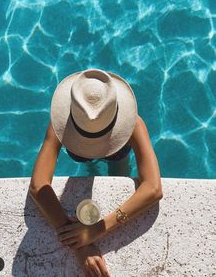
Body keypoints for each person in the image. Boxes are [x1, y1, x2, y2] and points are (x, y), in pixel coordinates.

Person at [29, 68, 163, 277]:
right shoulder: (60, 124)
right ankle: (93, 166)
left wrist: (97, 229)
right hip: (105, 147)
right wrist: (80, 243)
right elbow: (38, 185)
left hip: (109, 150)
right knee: (107, 166)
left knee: (118, 170)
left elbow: (154, 189)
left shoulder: (134, 125)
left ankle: (96, 165)